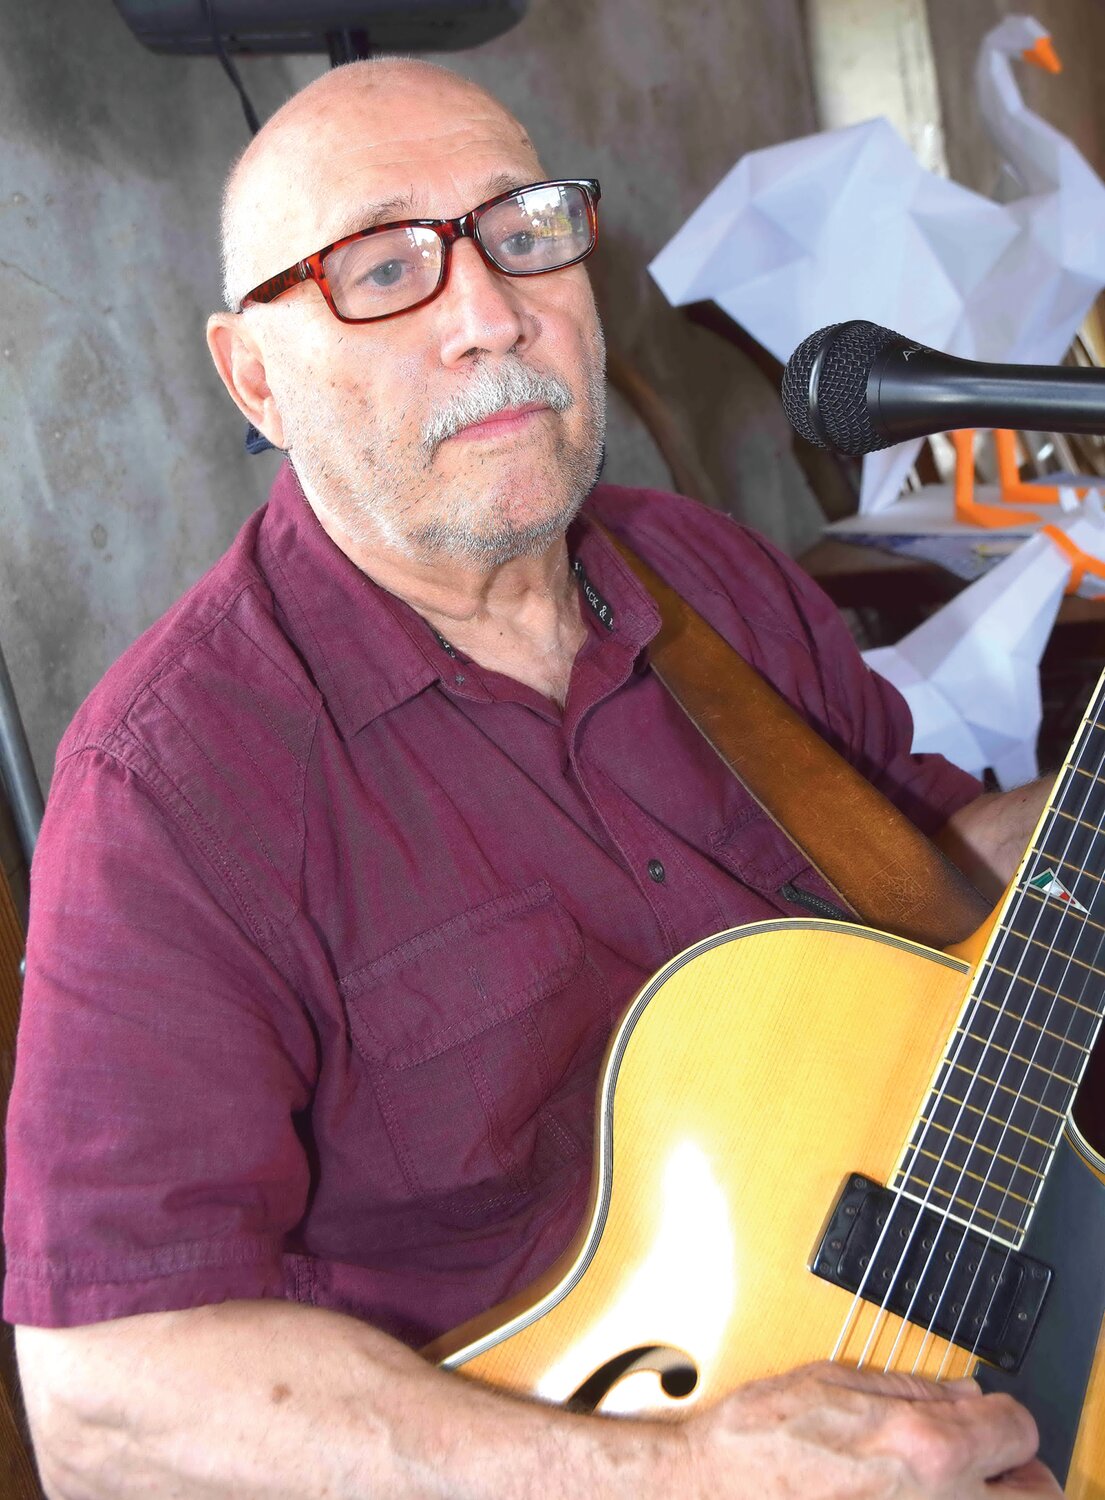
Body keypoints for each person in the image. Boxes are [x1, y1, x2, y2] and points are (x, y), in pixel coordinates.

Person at [4, 57, 1062, 1500]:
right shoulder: (174, 785)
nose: (488, 313)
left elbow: (939, 864)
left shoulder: (700, 570)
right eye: (381, 270)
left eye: (521, 235)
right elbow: (106, 1406)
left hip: (958, 1336)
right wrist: (692, 1473)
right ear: (254, 374)